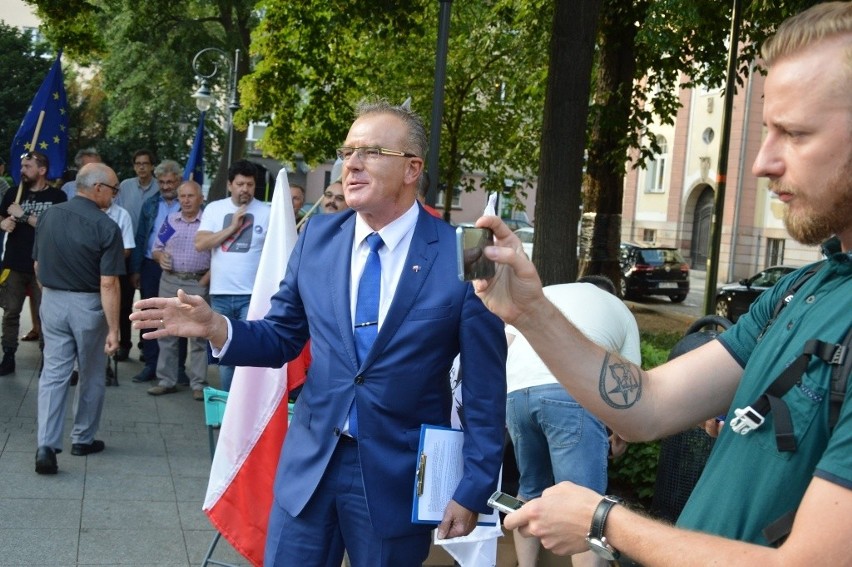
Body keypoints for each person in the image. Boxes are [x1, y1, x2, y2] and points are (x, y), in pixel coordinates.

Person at [470, 4, 852, 563]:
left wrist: (604, 521)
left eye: (793, 134)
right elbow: (648, 405)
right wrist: (529, 311)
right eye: (767, 130)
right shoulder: (803, 289)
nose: (761, 163)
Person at [131, 99, 507, 566]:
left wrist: (473, 489)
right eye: (348, 151)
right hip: (310, 468)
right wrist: (217, 327)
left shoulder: (460, 257)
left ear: (412, 169)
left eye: (370, 152)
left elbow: (487, 391)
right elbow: (282, 337)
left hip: (396, 477)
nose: (350, 164)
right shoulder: (319, 238)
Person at [505, 277, 640, 567]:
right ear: (610, 292)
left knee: (530, 491)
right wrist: (620, 438)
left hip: (516, 394)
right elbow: (629, 390)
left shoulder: (544, 294)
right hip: (569, 392)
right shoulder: (619, 309)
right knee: (587, 507)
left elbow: (506, 344)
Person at [33, 162, 124, 474]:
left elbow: (37, 266)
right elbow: (109, 282)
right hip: (88, 305)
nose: (115, 195)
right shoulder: (107, 227)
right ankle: (82, 438)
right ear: (97, 188)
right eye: (113, 189)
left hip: (53, 301)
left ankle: (46, 444)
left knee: (53, 373)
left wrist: (52, 294)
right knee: (92, 372)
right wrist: (114, 329)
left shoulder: (49, 216)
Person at [195, 159, 270, 392]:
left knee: (248, 356)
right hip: (221, 294)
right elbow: (201, 244)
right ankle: (228, 413)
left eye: (249, 184)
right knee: (225, 357)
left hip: (252, 295)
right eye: (240, 184)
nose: (245, 189)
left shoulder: (267, 212)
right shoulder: (215, 209)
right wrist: (232, 228)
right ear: (230, 185)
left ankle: (245, 410)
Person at [0, 151, 67, 376]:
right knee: (10, 312)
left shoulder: (57, 197)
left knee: (45, 314)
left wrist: (23, 215)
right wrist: (5, 223)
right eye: (21, 166)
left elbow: (54, 228)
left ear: (42, 170)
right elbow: (1, 217)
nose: (22, 171)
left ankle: (47, 358)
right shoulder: (13, 192)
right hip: (14, 262)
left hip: (44, 264)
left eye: (27, 166)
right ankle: (8, 354)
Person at [147, 180, 210, 400]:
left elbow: (220, 254)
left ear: (201, 198)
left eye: (190, 196)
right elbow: (156, 249)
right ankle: (166, 381)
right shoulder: (171, 220)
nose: (186, 200)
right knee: (167, 332)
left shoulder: (208, 223)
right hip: (170, 281)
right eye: (182, 196)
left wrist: (206, 280)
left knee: (199, 335)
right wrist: (160, 257)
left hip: (197, 283)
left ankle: (199, 384)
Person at [129, 160, 182, 383]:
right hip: (151, 266)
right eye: (161, 182)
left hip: (178, 270)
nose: (166, 186)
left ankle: (178, 369)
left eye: (170, 182)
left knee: (179, 317)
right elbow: (141, 237)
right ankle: (151, 364)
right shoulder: (151, 204)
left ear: (179, 181)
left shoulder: (189, 204)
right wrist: (136, 268)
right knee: (150, 316)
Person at [114, 149, 160, 361]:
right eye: (138, 163)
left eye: (145, 163)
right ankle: (124, 344)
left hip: (148, 252)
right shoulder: (125, 186)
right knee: (124, 302)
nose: (141, 167)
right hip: (125, 250)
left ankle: (145, 345)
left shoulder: (160, 188)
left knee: (148, 303)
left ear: (152, 166)